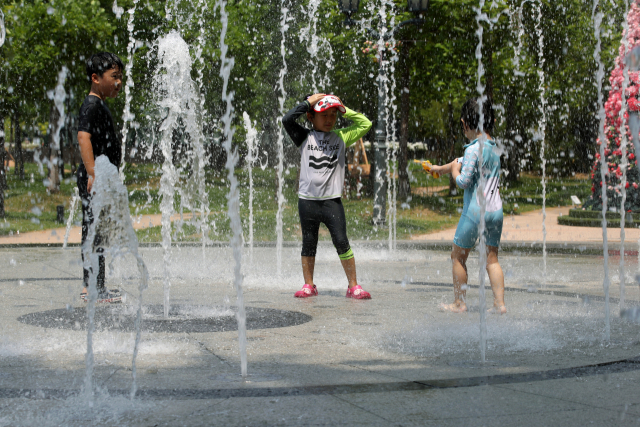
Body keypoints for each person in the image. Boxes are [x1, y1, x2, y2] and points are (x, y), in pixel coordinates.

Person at [282, 93, 372, 299]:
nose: (330, 119)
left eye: (333, 115)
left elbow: (365, 123)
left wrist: (341, 106)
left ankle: (353, 286)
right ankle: (309, 285)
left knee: (341, 241)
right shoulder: (304, 136)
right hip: (308, 201)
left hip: (332, 201)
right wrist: (309, 102)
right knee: (308, 242)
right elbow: (287, 119)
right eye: (324, 114)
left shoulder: (341, 136)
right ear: (310, 117)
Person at [429, 98, 506, 314]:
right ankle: (499, 305)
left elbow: (462, 180)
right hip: (495, 212)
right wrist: (442, 168)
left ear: (464, 124)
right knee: (492, 258)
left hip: (474, 212)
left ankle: (459, 303)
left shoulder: (473, 150)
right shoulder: (492, 148)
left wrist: (453, 172)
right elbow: (461, 161)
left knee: (458, 256)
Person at [77, 52, 124, 303]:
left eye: (121, 78)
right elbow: (83, 137)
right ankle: (91, 288)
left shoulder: (99, 104)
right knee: (94, 232)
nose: (119, 83)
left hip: (100, 177)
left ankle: (97, 285)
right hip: (93, 178)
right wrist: (93, 173)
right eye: (114, 77)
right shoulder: (92, 104)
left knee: (99, 233)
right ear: (96, 78)